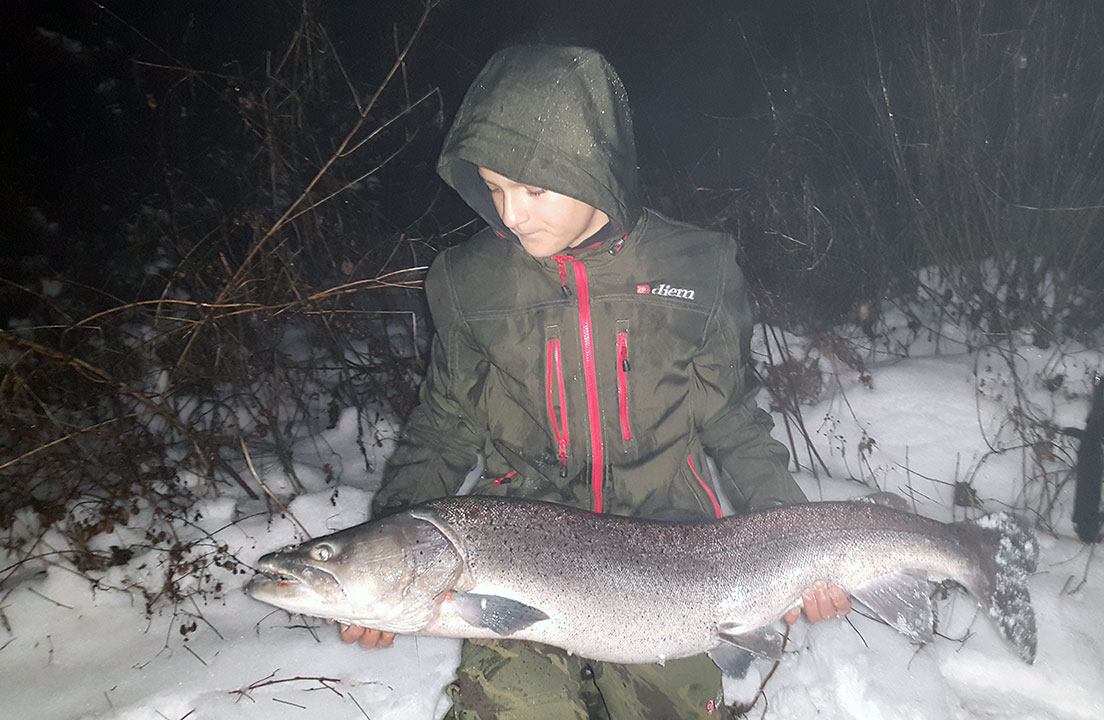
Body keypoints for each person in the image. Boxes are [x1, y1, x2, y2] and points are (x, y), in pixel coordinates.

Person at [341, 44, 850, 719]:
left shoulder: (697, 267)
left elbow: (732, 418)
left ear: (595, 169)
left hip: (671, 557)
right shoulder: (468, 280)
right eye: (494, 188)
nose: (511, 214)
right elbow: (444, 427)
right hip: (518, 555)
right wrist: (385, 560)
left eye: (533, 189)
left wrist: (799, 546)